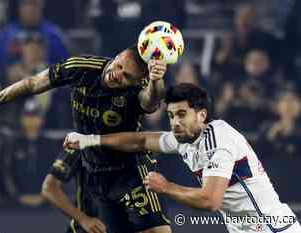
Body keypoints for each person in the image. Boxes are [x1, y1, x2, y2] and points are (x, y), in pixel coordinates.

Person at [0, 46, 171, 233]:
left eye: (126, 76)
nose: (117, 75)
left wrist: (156, 80)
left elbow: (151, 103)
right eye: (119, 66)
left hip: (131, 169)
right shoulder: (81, 68)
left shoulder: (142, 86)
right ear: (117, 56)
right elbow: (33, 83)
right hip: (94, 168)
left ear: (138, 81)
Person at [64, 83, 301, 233]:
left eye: (181, 114)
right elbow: (142, 140)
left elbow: (211, 200)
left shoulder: (219, 139)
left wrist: (166, 187)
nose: (175, 122)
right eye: (170, 116)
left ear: (201, 115)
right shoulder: (184, 138)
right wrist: (91, 139)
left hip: (274, 228)